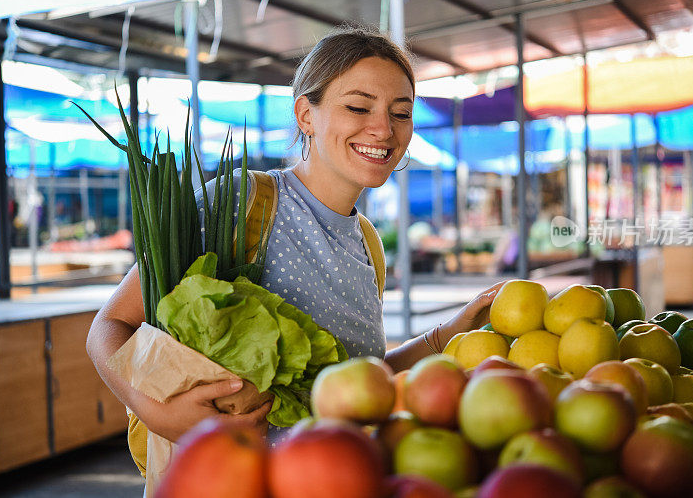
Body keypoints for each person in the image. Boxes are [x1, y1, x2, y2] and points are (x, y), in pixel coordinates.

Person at [86, 28, 503, 450]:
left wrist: (450, 331)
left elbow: (355, 379)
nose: (384, 130)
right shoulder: (243, 202)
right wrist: (159, 414)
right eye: (359, 107)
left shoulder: (368, 243)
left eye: (401, 113)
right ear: (306, 115)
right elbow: (110, 325)